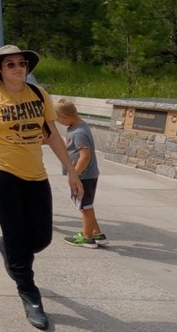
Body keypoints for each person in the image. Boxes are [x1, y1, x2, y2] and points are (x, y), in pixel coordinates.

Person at [0, 45, 83, 330]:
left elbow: (54, 135)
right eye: (10, 65)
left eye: (21, 63)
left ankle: (10, 251)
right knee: (15, 234)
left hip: (36, 174)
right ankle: (30, 294)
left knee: (41, 238)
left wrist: (72, 173)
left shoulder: (39, 94)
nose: (18, 68)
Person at [56, 99, 107, 248]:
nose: (58, 122)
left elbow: (85, 156)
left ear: (65, 116)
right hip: (86, 175)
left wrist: (75, 174)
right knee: (86, 205)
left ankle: (87, 237)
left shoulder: (79, 132)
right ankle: (97, 233)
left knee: (85, 207)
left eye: (59, 119)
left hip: (83, 176)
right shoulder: (78, 126)